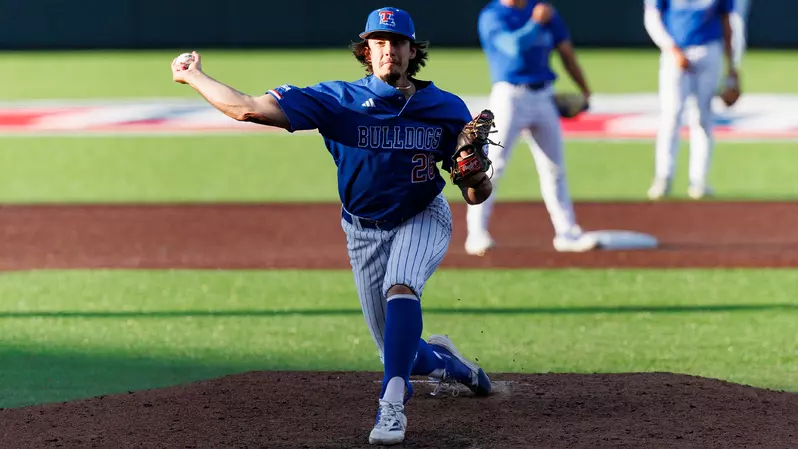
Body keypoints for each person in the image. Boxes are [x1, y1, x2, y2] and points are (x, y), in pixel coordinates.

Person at [170, 6, 493, 446]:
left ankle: (392, 404)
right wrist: (194, 76)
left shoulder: (445, 107)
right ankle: (456, 366)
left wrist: (475, 178)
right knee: (401, 351)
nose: (388, 51)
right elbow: (247, 109)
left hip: (422, 215)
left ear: (412, 51)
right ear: (365, 50)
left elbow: (475, 195)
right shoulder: (337, 100)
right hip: (362, 231)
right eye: (378, 42)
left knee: (402, 287)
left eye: (397, 43)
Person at [465, 0, 599, 256]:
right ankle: (476, 233)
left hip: (544, 95)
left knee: (554, 167)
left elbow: (565, 50)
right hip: (509, 97)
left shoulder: (544, 10)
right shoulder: (493, 15)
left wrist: (584, 88)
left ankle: (567, 233)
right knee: (493, 165)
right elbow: (513, 47)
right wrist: (536, 22)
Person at [644, 0, 738, 200]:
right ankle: (664, 177)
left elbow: (726, 21)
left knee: (703, 117)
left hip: (709, 49)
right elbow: (652, 18)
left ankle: (699, 180)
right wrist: (671, 48)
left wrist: (732, 70)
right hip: (675, 50)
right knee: (671, 116)